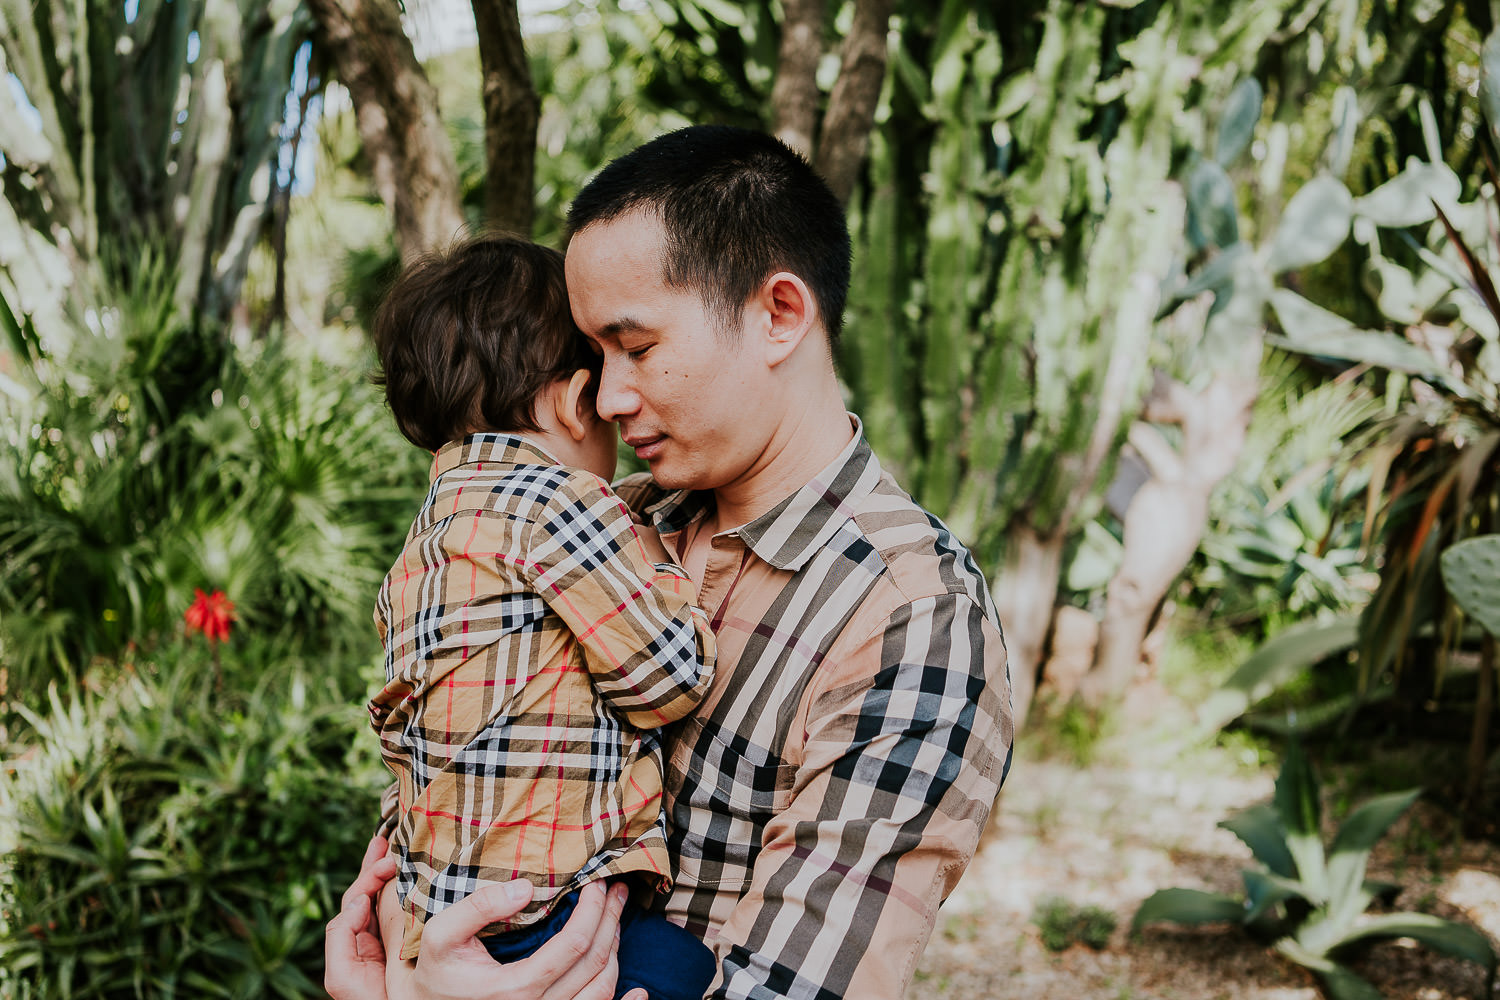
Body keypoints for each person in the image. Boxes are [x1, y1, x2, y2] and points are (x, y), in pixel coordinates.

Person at [328, 125, 1014, 1000]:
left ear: (778, 314)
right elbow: (450, 777)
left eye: (636, 348)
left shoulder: (912, 614)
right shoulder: (605, 518)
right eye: (593, 358)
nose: (608, 399)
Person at [364, 235, 719, 1000]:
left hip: (440, 911)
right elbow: (671, 680)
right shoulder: (560, 503)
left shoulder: (424, 543)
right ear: (570, 399)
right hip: (545, 909)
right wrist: (665, 570)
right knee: (686, 967)